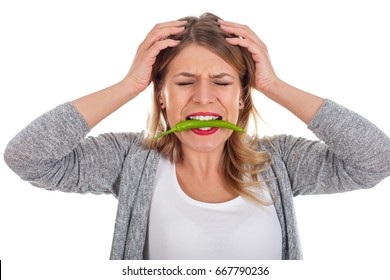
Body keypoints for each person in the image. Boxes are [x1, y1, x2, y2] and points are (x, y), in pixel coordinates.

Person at [4, 12, 390, 260]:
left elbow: (375, 160)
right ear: (161, 93)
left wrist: (273, 85)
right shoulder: (129, 159)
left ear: (242, 96)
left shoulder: (280, 162)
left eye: (222, 82)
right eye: (185, 82)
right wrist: (128, 84)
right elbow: (27, 157)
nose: (203, 97)